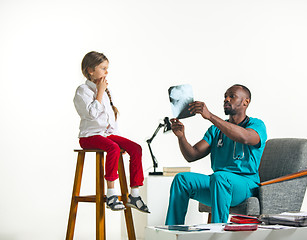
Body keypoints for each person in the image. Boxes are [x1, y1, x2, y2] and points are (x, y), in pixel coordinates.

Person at [165, 84, 267, 225]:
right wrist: (181, 137)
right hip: (218, 184)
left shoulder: (256, 125)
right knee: (182, 179)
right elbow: (192, 155)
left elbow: (246, 137)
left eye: (232, 96)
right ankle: (173, 230)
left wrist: (210, 116)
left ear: (246, 102)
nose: (226, 99)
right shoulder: (215, 130)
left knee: (220, 177)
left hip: (245, 185)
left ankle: (216, 232)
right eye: (225, 96)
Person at [73, 51, 150, 213]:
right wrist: (100, 91)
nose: (106, 72)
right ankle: (111, 194)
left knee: (136, 148)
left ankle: (134, 195)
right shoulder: (83, 91)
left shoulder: (108, 91)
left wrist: (118, 139)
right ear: (90, 70)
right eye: (103, 68)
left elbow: (111, 121)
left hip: (106, 135)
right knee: (112, 148)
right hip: (89, 136)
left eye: (107, 68)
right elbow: (92, 114)